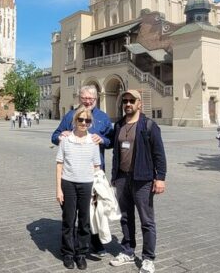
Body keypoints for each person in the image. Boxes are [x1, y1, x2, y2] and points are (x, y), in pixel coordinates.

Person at [52, 85, 113, 257]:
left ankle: (95, 243)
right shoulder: (70, 116)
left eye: (90, 99)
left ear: (96, 99)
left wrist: (102, 139)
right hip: (71, 174)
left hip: (93, 173)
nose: (87, 101)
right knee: (71, 215)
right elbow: (54, 136)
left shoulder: (103, 118)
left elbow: (112, 140)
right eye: (84, 98)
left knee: (92, 211)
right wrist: (60, 136)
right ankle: (69, 249)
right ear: (80, 98)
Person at [109, 89, 166, 273]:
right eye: (125, 101)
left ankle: (148, 258)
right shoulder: (118, 125)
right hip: (122, 178)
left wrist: (160, 178)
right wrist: (114, 176)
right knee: (125, 218)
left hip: (143, 179)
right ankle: (128, 250)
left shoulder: (149, 125)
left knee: (146, 220)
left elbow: (159, 154)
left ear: (139, 103)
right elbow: (115, 152)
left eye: (131, 101)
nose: (127, 104)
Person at [56, 106, 101, 270]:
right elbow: (59, 165)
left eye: (87, 120)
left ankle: (81, 254)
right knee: (68, 220)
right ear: (75, 121)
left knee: (84, 222)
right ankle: (68, 253)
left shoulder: (93, 142)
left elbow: (97, 167)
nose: (84, 123)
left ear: (90, 123)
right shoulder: (66, 140)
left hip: (87, 184)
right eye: (81, 119)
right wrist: (58, 189)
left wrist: (97, 190)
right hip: (68, 183)